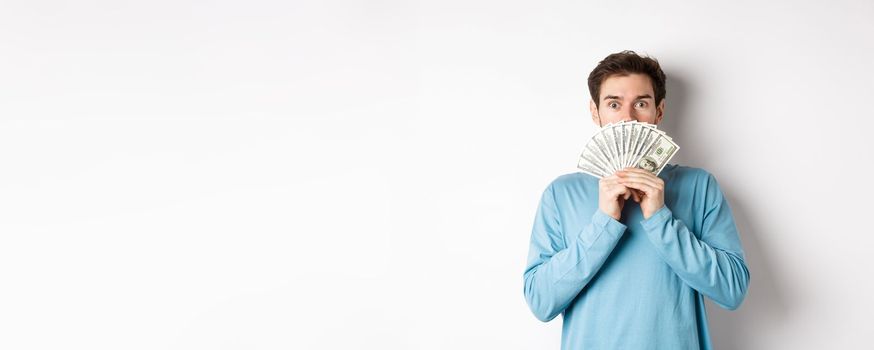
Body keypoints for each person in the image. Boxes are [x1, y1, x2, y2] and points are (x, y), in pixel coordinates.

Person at [522, 50, 750, 349]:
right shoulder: (561, 194)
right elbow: (541, 301)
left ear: (659, 110)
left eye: (641, 103)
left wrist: (660, 218)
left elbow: (732, 290)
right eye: (614, 104)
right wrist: (603, 222)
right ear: (596, 112)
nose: (628, 117)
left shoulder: (698, 186)